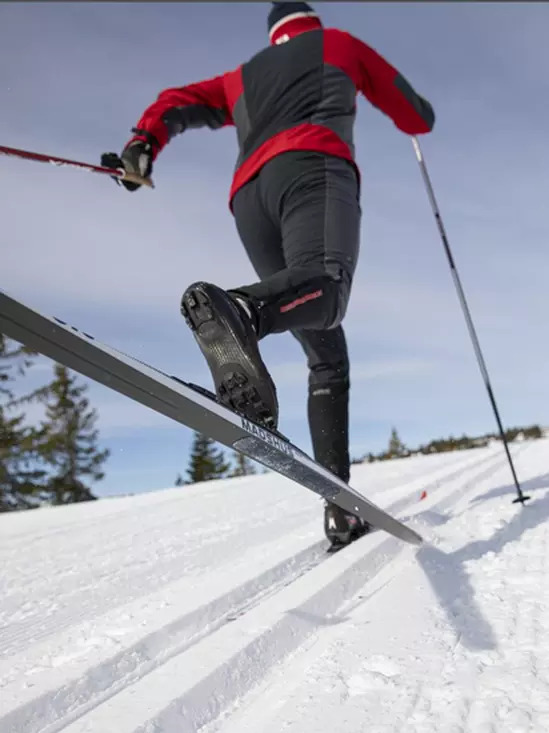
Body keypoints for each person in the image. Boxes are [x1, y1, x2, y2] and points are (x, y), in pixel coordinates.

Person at [102, 2, 435, 547]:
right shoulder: (339, 45)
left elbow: (175, 102)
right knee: (326, 285)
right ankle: (243, 310)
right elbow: (415, 113)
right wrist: (416, 117)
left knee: (325, 351)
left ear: (273, 34)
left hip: (249, 201)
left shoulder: (241, 76)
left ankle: (340, 506)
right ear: (310, 23)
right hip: (312, 168)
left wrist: (143, 143)